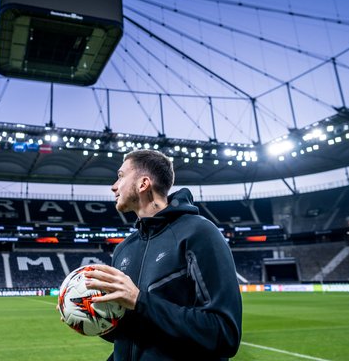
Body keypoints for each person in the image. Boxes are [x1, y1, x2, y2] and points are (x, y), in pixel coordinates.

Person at [84, 149, 242, 360]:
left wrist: (139, 301)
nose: (113, 186)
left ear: (143, 184)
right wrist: (95, 319)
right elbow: (133, 335)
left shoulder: (199, 233)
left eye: (120, 176)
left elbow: (224, 334)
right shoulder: (124, 248)